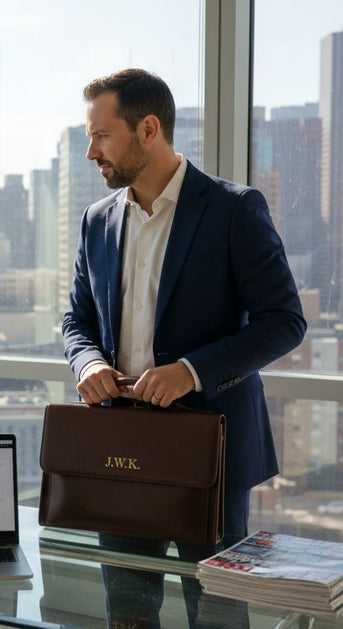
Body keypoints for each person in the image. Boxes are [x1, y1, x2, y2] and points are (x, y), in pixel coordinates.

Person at [62, 69, 306, 627]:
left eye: (101, 136)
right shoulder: (96, 220)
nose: (90, 152)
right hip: (119, 450)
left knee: (217, 616)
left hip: (210, 454)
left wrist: (191, 372)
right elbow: (75, 320)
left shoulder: (233, 209)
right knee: (126, 613)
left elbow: (284, 321)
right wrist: (89, 361)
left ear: (149, 129)